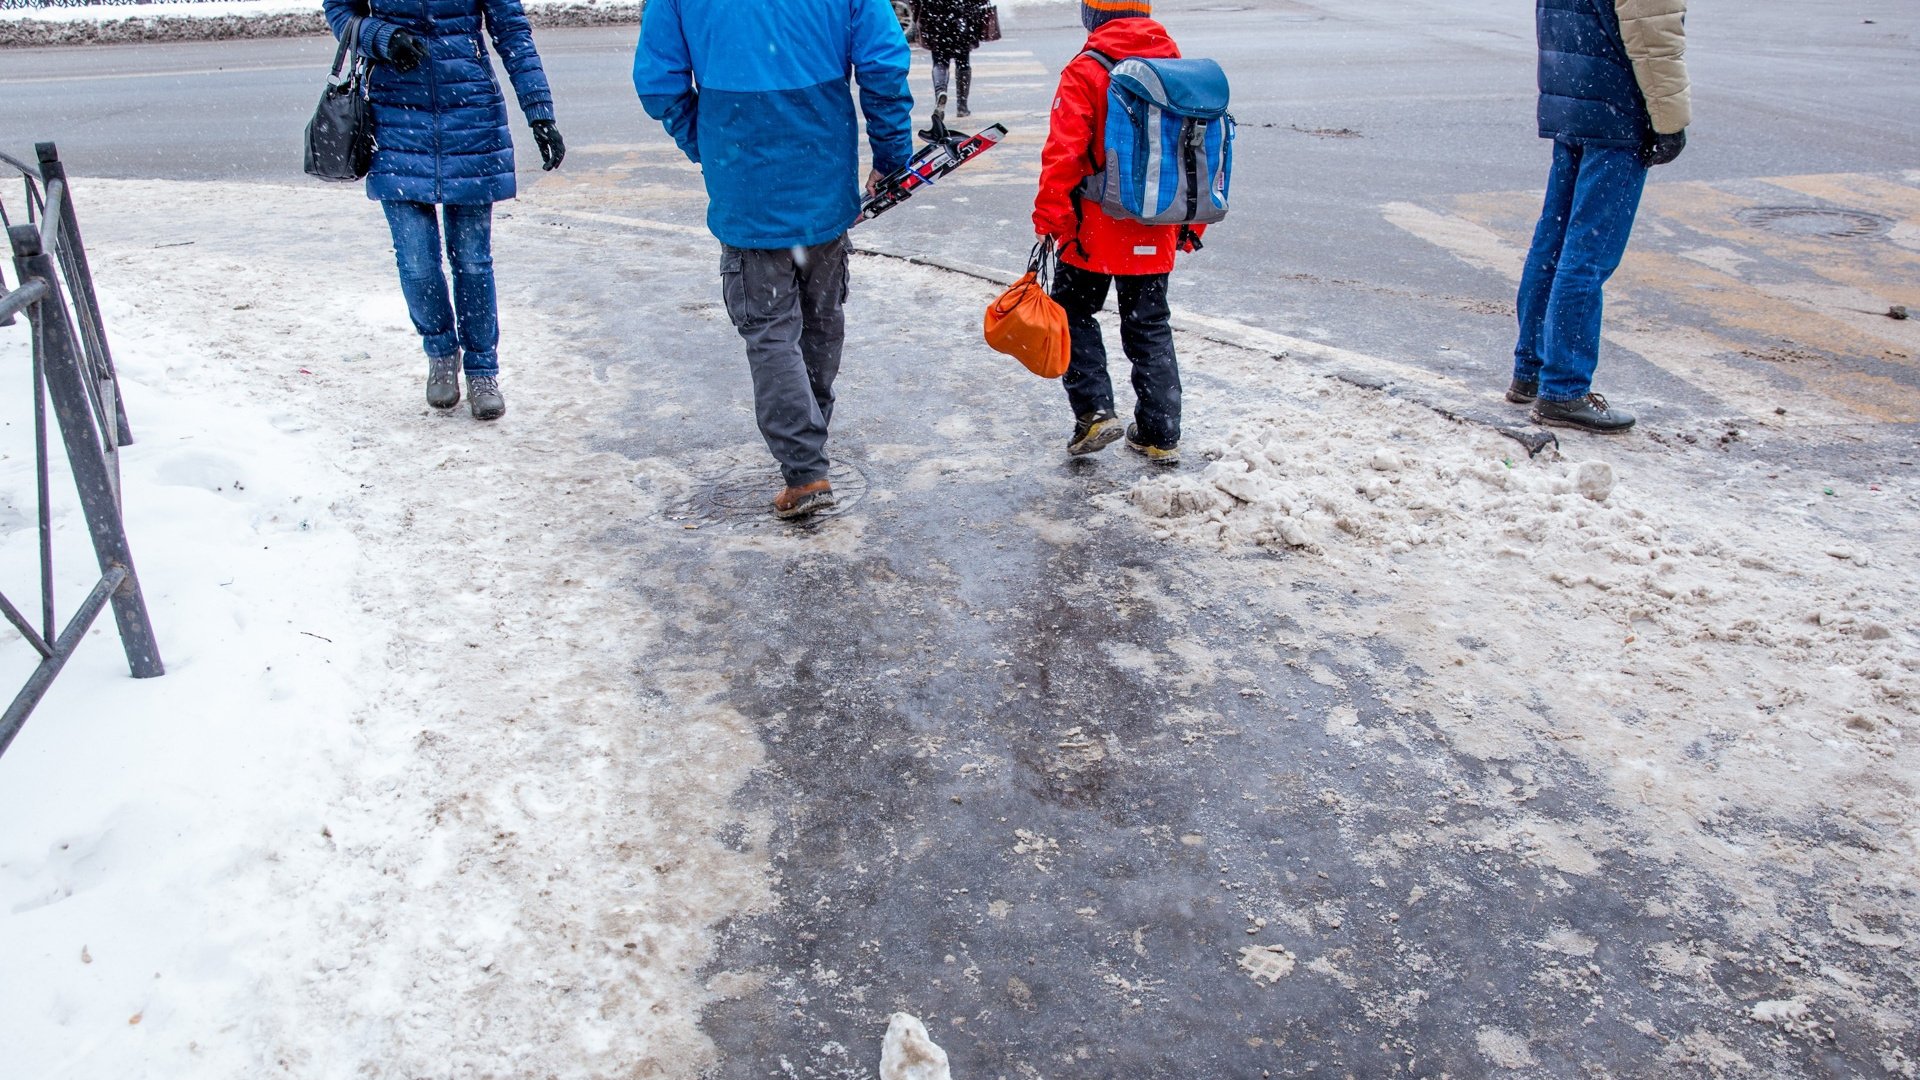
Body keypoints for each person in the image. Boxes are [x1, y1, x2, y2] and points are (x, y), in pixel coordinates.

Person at [633, 0, 914, 519]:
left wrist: (708, 143)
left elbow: (659, 82)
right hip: (822, 177)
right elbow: (882, 66)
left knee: (770, 329)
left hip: (746, 189)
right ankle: (811, 439)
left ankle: (805, 468)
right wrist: (892, 155)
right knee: (819, 320)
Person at [323, 0, 565, 421]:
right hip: (395, 120)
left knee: (472, 261)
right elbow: (339, 10)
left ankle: (482, 370)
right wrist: (382, 37)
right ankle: (440, 353)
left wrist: (539, 112)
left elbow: (512, 31)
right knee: (417, 261)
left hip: (470, 116)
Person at [1033, 0, 1202, 465]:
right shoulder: (1176, 66)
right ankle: (1159, 432)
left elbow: (1062, 155)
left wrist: (1051, 220)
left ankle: (1094, 413)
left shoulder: (1086, 70)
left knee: (1072, 312)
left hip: (1094, 226)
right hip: (1158, 222)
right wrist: (1190, 224)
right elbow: (1196, 158)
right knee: (1149, 324)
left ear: (1092, 15)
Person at [1508, 0, 1689, 433]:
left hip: (1573, 97)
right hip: (1617, 109)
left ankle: (1530, 371)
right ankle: (1565, 390)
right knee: (1588, 255)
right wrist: (1669, 123)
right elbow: (1655, 39)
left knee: (1552, 242)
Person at [911, 0, 988, 135]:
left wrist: (918, 14)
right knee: (963, 61)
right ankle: (962, 106)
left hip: (935, 17)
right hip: (962, 18)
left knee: (940, 62)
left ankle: (941, 91)